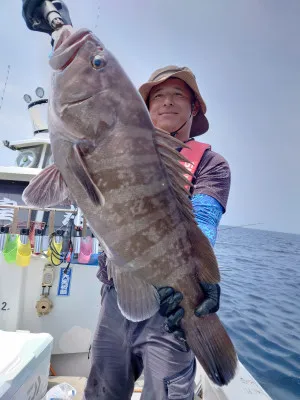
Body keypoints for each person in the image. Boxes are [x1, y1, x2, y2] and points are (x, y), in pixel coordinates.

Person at [21, 2, 231, 399]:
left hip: (172, 311)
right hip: (115, 294)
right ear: (146, 107)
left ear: (195, 108)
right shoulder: (106, 131)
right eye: (159, 96)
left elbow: (203, 219)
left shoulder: (212, 164)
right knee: (102, 388)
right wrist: (56, 27)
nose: (167, 101)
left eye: (178, 96)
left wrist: (195, 285)